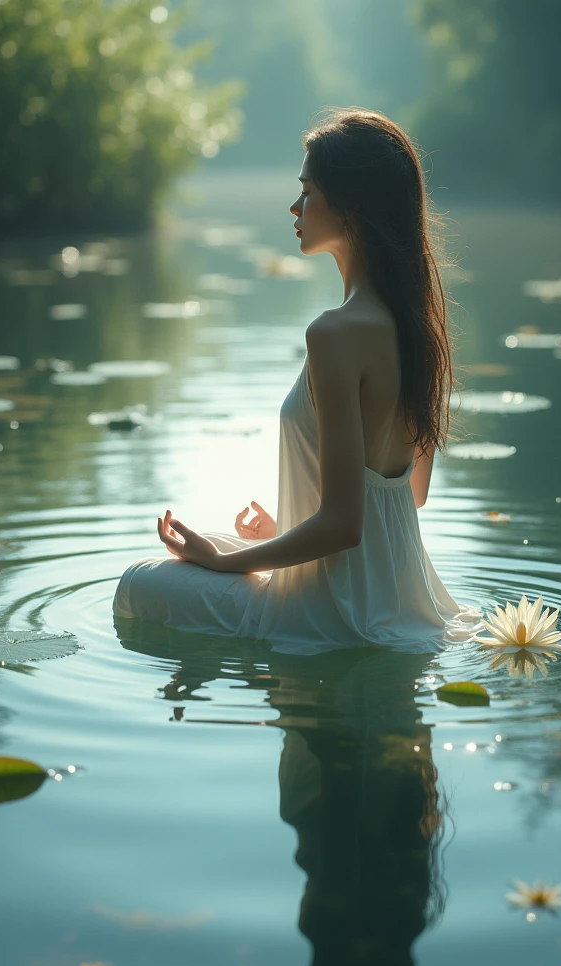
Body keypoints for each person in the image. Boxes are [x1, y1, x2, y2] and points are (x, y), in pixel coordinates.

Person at [113, 107, 483, 655]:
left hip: (331, 613)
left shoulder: (336, 332)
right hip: (399, 599)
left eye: (307, 191)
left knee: (138, 582)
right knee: (209, 542)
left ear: (352, 206)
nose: (295, 206)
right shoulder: (420, 324)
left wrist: (224, 560)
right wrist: (282, 530)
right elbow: (410, 493)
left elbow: (342, 526)